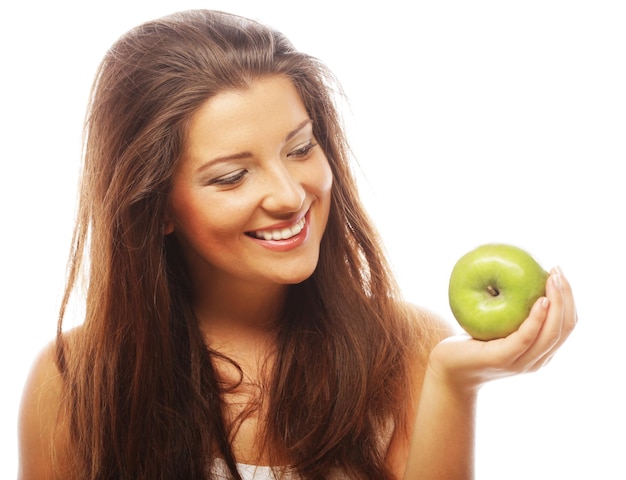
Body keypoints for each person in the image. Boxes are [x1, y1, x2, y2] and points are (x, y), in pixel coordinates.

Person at [17, 9, 577, 480]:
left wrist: (457, 383)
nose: (290, 195)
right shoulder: (76, 380)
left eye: (301, 148)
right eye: (232, 176)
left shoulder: (407, 351)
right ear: (156, 206)